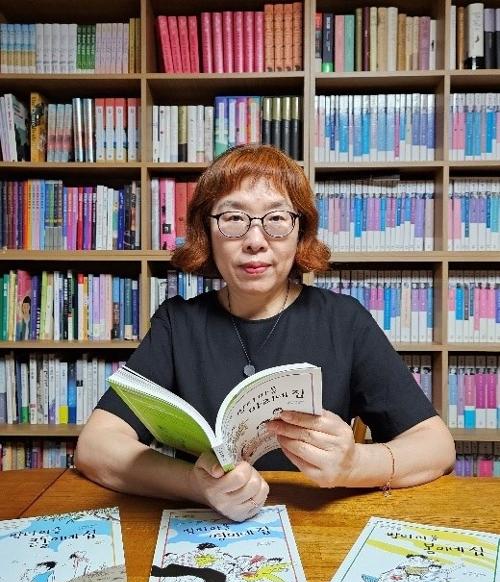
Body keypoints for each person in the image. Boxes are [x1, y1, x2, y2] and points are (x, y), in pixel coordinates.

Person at [75, 144, 455, 522]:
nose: (255, 240)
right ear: (207, 231)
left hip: (319, 528)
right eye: (234, 218)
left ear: (299, 231)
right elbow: (95, 446)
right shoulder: (179, 324)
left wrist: (355, 464)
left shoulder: (344, 320)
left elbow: (436, 446)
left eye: (275, 218)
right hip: (205, 529)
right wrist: (196, 485)